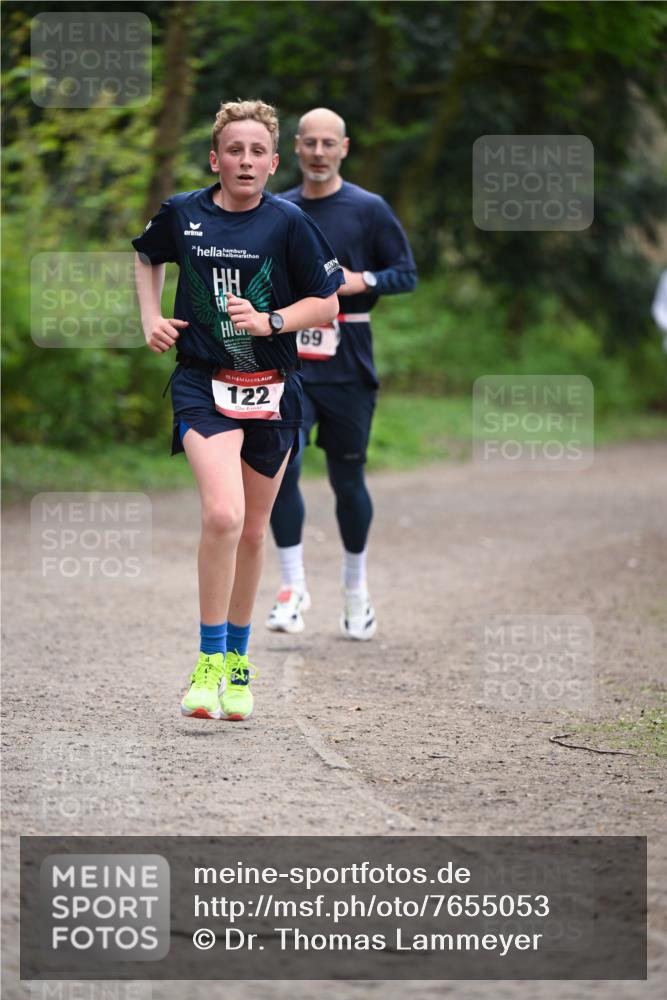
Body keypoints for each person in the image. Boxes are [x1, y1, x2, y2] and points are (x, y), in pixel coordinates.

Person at [132, 99, 343, 721]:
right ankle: (207, 661)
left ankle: (238, 662)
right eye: (234, 151)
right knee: (223, 516)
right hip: (203, 384)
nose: (245, 161)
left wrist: (271, 320)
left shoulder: (289, 222)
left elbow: (327, 302)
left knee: (253, 531)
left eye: (257, 152)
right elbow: (146, 255)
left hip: (273, 389)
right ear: (214, 159)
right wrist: (149, 317)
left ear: (274, 163)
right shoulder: (184, 213)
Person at [266, 108, 417, 640]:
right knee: (281, 466)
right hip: (288, 359)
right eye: (310, 143)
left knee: (347, 481)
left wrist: (362, 280)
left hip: (349, 359)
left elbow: (405, 274)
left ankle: (356, 590)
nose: (318, 152)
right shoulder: (279, 208)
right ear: (296, 147)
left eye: (328, 143)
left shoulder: (368, 208)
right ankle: (292, 587)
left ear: (344, 148)